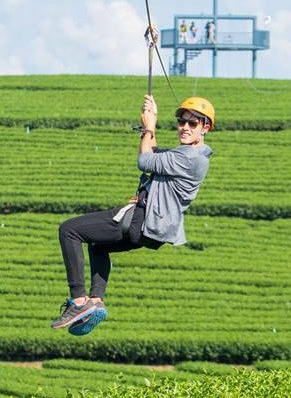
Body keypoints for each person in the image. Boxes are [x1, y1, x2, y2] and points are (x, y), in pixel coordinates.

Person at [50, 94, 216, 335]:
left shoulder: (191, 158)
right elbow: (155, 153)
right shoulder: (189, 155)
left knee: (69, 230)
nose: (184, 128)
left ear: (205, 127)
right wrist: (151, 122)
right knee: (97, 246)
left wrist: (149, 127)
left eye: (192, 123)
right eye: (182, 122)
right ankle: (96, 301)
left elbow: (145, 160)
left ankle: (78, 301)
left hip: (141, 220)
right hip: (151, 231)